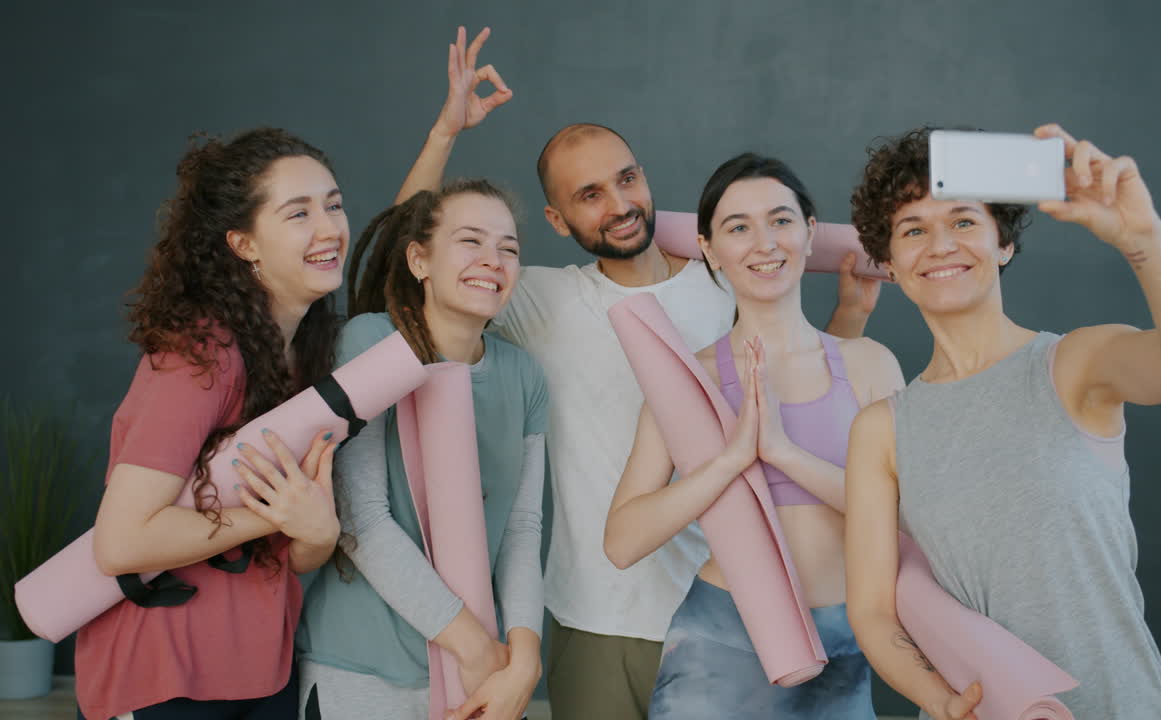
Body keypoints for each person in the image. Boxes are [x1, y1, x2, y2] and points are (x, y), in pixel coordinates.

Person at [394, 28, 881, 719]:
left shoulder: (732, 277)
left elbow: (803, 405)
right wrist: (447, 132)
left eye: (627, 179)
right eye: (589, 195)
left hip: (743, 608)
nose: (619, 204)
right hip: (601, 618)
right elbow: (405, 252)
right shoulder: (542, 300)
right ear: (558, 221)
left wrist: (851, 320)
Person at [843, 125, 1161, 720]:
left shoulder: (1073, 364)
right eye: (913, 230)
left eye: (964, 222)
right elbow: (871, 610)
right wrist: (941, 702)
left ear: (1004, 244)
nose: (940, 244)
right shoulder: (882, 428)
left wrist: (1142, 236)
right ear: (889, 264)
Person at [603, 152, 903, 719]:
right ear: (710, 250)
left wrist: (783, 454)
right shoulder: (690, 379)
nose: (764, 242)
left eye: (781, 220)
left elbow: (906, 516)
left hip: (848, 646)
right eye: (738, 227)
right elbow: (622, 541)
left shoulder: (869, 364)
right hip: (720, 650)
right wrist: (731, 460)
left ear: (811, 233)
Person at [77, 128, 346, 720]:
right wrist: (272, 515)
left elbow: (292, 552)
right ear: (244, 243)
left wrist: (317, 533)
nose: (329, 228)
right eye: (298, 212)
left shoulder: (308, 355)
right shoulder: (201, 354)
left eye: (333, 204)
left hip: (261, 672)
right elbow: (122, 541)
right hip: (164, 680)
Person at [293, 179, 548, 720]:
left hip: (480, 676)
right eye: (471, 241)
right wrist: (476, 647)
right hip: (362, 669)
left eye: (508, 248)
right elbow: (361, 518)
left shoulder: (525, 376)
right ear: (419, 260)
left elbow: (523, 529)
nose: (493, 260)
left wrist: (523, 661)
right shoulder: (369, 343)